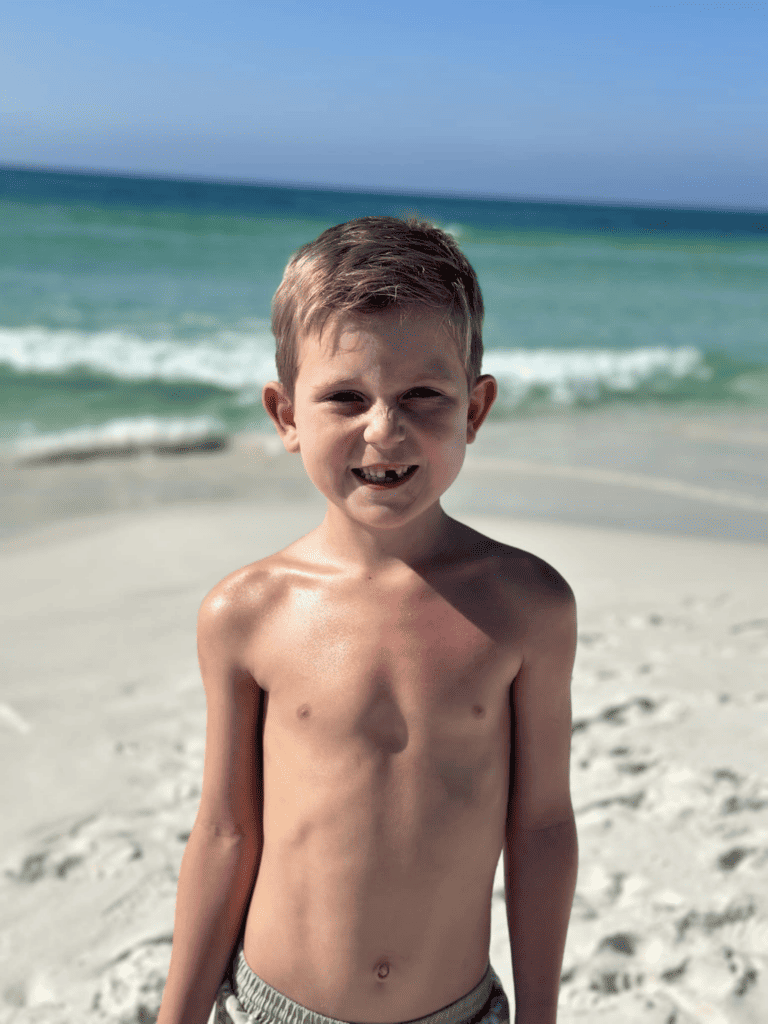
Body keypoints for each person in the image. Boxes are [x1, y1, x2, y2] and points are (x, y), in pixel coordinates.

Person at [156, 216, 578, 1024]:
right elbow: (223, 834)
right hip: (274, 1008)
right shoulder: (247, 613)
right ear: (285, 416)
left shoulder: (527, 606)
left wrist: (541, 1014)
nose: (384, 429)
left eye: (424, 395)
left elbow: (543, 826)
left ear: (475, 410)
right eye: (346, 396)